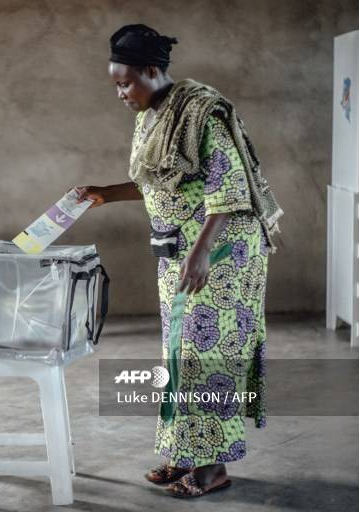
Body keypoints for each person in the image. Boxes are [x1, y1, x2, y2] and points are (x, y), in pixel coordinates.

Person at [75, 24, 282, 498]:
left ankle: (214, 468)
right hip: (181, 254)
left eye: (125, 82)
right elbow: (159, 183)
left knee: (209, 357)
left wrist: (202, 250)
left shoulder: (202, 114)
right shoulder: (152, 115)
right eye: (115, 85)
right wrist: (106, 193)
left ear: (152, 70)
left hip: (221, 253)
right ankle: (184, 454)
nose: (120, 94)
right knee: (179, 356)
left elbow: (229, 194)